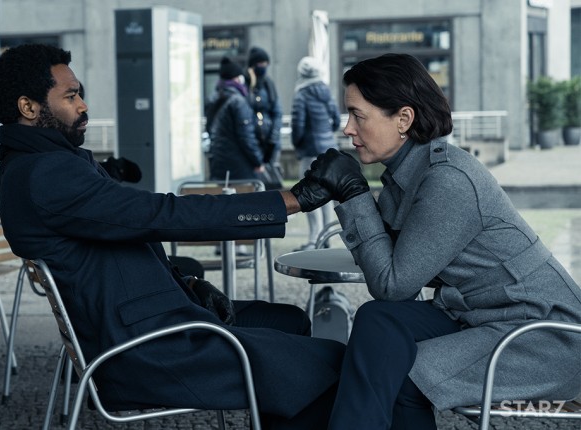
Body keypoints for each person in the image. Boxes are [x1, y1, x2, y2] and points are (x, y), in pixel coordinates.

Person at [0, 43, 345, 430]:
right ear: (28, 107)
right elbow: (162, 215)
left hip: (156, 319)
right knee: (330, 365)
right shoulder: (47, 174)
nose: (83, 106)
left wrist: (187, 283)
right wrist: (293, 200)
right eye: (71, 96)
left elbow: (118, 245)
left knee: (290, 320)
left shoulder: (36, 164)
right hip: (148, 348)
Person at [294, 53, 581, 429]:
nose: (347, 129)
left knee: (407, 376)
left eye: (357, 115)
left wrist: (353, 193)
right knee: (379, 320)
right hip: (481, 314)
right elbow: (392, 276)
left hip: (543, 336)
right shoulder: (406, 173)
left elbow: (393, 284)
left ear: (403, 119)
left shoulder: (447, 180)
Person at [290, 56, 341, 251]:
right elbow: (336, 120)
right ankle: (326, 237)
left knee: (308, 194)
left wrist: (297, 144)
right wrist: (327, 134)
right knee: (327, 193)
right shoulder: (326, 91)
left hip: (310, 150)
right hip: (329, 149)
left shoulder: (301, 94)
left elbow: (298, 126)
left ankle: (313, 239)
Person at [206, 56, 264, 182]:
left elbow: (209, 129)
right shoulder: (238, 102)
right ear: (237, 78)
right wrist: (257, 161)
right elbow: (246, 136)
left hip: (218, 163)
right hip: (239, 166)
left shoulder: (213, 99)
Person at [245, 46, 283, 175]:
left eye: (266, 63)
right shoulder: (246, 85)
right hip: (253, 143)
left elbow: (277, 113)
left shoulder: (269, 84)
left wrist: (273, 139)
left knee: (271, 178)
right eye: (260, 63)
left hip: (270, 143)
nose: (264, 66)